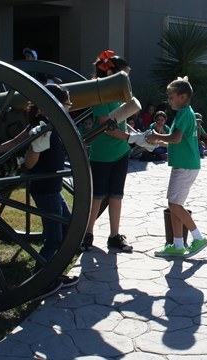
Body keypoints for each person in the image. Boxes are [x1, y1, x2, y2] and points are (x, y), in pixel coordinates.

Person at [0, 83, 79, 297]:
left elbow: (14, 142)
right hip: (45, 188)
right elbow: (30, 159)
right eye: (67, 103)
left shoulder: (50, 124)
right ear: (55, 104)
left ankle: (54, 273)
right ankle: (41, 280)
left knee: (67, 226)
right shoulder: (42, 126)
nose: (69, 107)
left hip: (52, 187)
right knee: (53, 237)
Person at [81, 50, 138, 252]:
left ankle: (114, 235)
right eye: (124, 73)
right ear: (112, 73)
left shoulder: (119, 95)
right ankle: (87, 234)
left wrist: (136, 133)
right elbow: (107, 125)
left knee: (116, 196)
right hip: (102, 154)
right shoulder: (101, 97)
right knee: (97, 196)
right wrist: (130, 138)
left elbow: (121, 120)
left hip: (120, 154)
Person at [145, 76, 207, 258]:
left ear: (182, 96)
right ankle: (178, 244)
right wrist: (152, 141)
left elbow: (175, 138)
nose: (168, 100)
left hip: (185, 166)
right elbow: (176, 142)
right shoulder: (185, 113)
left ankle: (198, 237)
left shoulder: (183, 114)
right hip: (185, 165)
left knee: (175, 205)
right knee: (174, 205)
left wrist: (156, 136)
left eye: (171, 96)